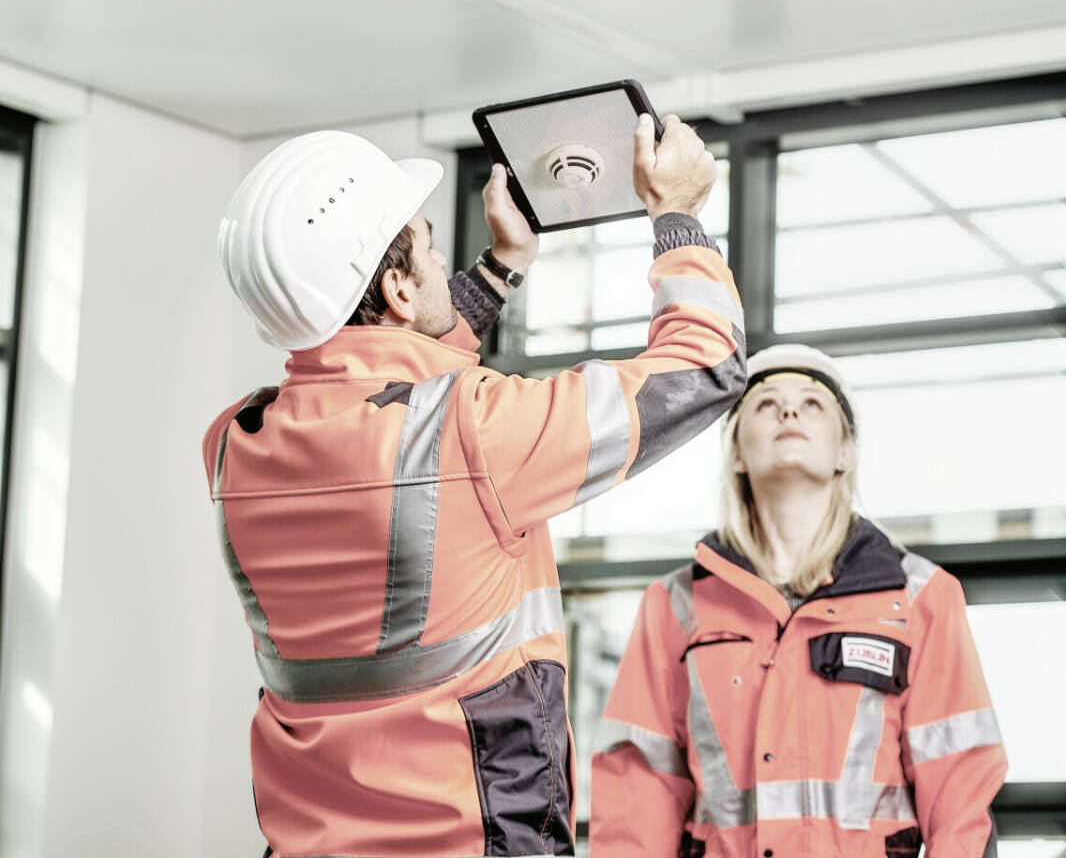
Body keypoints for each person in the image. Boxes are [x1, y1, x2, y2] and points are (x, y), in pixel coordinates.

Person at [205, 114, 746, 858]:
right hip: (474, 840)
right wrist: (677, 215)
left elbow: (382, 383)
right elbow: (705, 367)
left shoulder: (235, 445)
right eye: (428, 248)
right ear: (397, 288)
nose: (439, 261)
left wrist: (501, 266)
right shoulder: (473, 430)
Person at [591, 344, 1007, 858]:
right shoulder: (676, 606)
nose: (789, 411)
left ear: (844, 452)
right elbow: (636, 799)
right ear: (736, 453)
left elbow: (960, 796)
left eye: (812, 404)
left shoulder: (920, 597)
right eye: (767, 404)